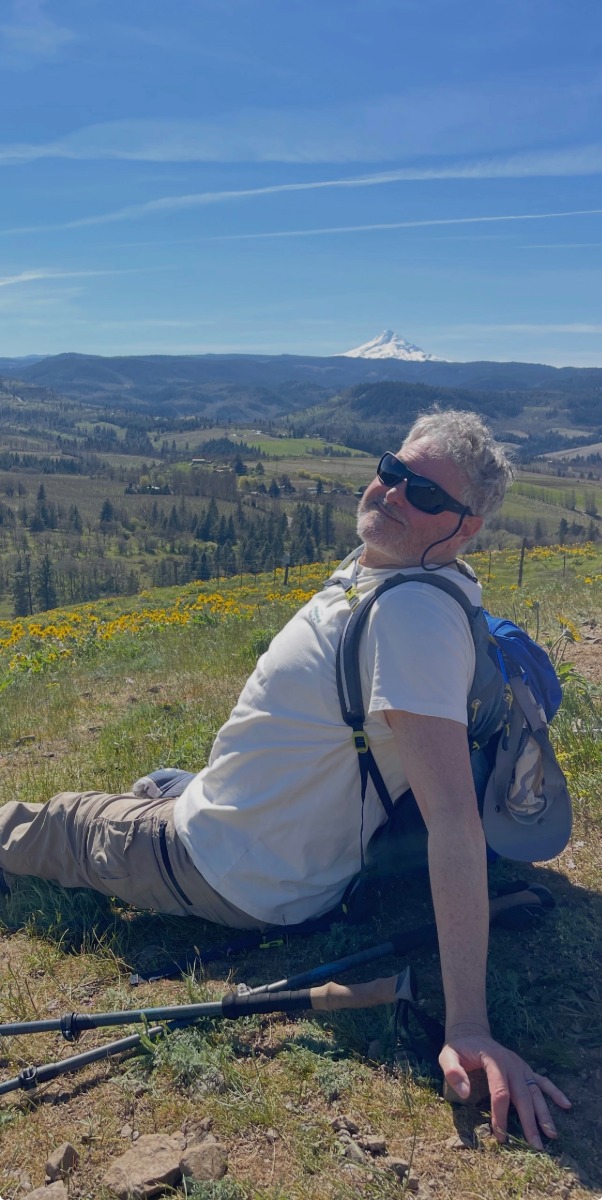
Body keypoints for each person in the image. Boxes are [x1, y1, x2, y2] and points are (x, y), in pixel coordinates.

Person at [0, 408, 571, 1148]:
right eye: (393, 472)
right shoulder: (416, 575)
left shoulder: (413, 626)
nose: (393, 495)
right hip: (251, 829)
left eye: (424, 496)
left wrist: (468, 1025)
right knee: (160, 780)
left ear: (466, 528)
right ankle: (177, 793)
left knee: (62, 823)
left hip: (222, 865)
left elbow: (455, 825)